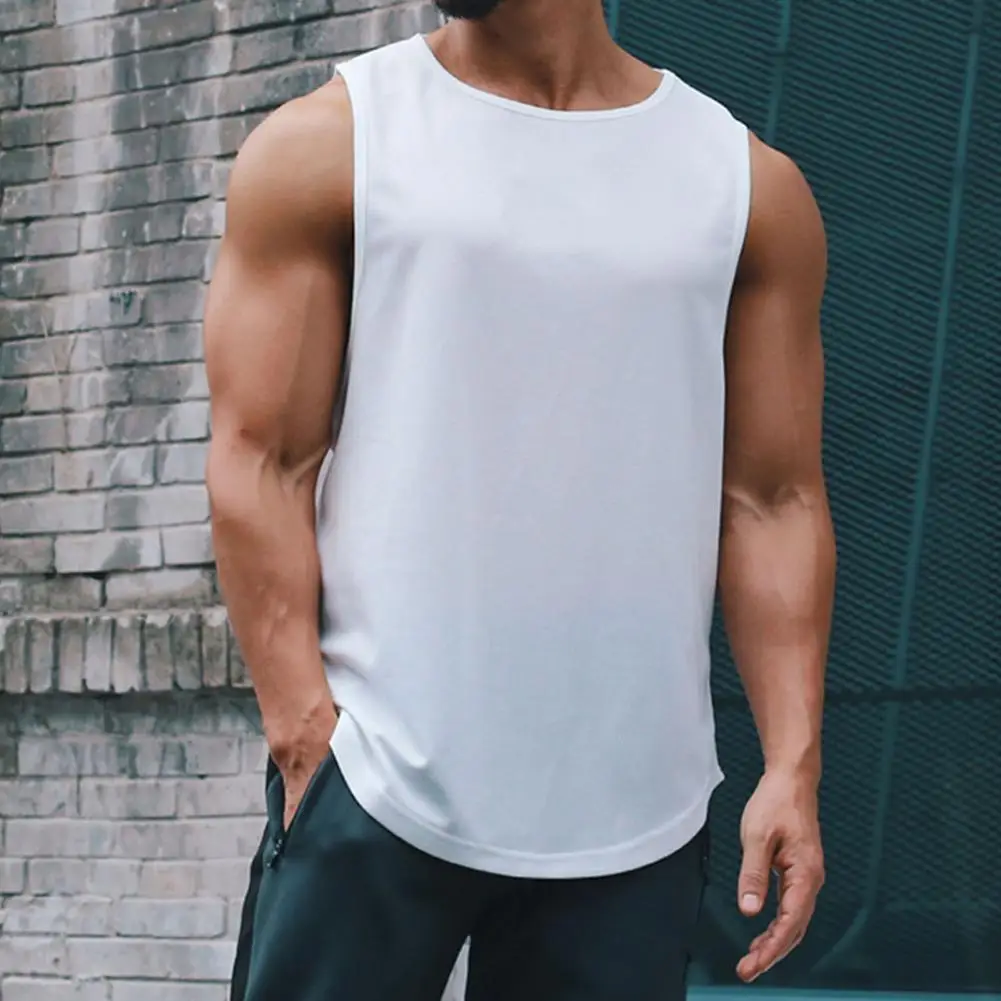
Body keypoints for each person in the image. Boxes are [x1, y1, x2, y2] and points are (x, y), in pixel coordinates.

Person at [205, 0, 835, 998]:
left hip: (636, 810)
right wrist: (304, 737)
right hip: (373, 780)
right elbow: (259, 458)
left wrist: (790, 763)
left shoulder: (742, 184)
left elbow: (775, 496)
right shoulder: (329, 144)